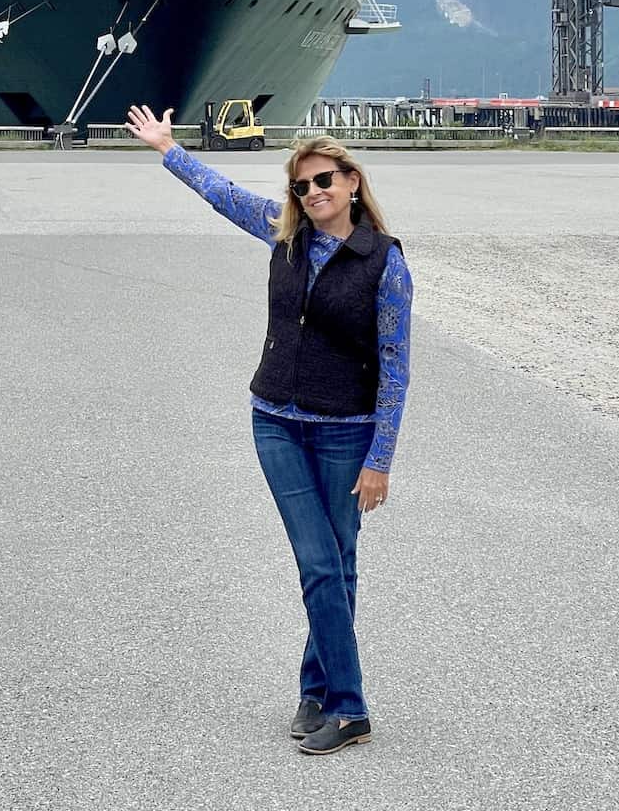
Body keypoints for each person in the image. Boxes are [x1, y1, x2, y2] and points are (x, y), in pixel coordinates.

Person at [125, 105, 413, 758]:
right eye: (301, 186)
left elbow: (396, 369)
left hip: (346, 431)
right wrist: (168, 149)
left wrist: (380, 459)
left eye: (323, 182)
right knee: (320, 561)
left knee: (336, 563)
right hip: (276, 421)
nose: (312, 194)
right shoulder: (285, 236)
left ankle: (321, 693)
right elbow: (222, 195)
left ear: (352, 183)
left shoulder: (384, 262)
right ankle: (349, 703)